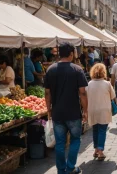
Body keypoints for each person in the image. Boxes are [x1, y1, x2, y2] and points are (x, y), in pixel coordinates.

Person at [44, 42, 88, 174]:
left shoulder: (50, 69)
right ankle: (70, 168)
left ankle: (61, 170)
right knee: (75, 140)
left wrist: (49, 109)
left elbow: (47, 93)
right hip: (73, 112)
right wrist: (85, 110)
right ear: (71, 54)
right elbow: (82, 92)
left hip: (58, 113)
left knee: (60, 143)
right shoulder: (77, 69)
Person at [87, 63, 116, 161]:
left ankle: (96, 149)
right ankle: (100, 151)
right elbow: (113, 96)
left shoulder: (89, 84)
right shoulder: (107, 83)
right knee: (102, 131)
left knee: (95, 130)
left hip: (92, 110)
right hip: (104, 109)